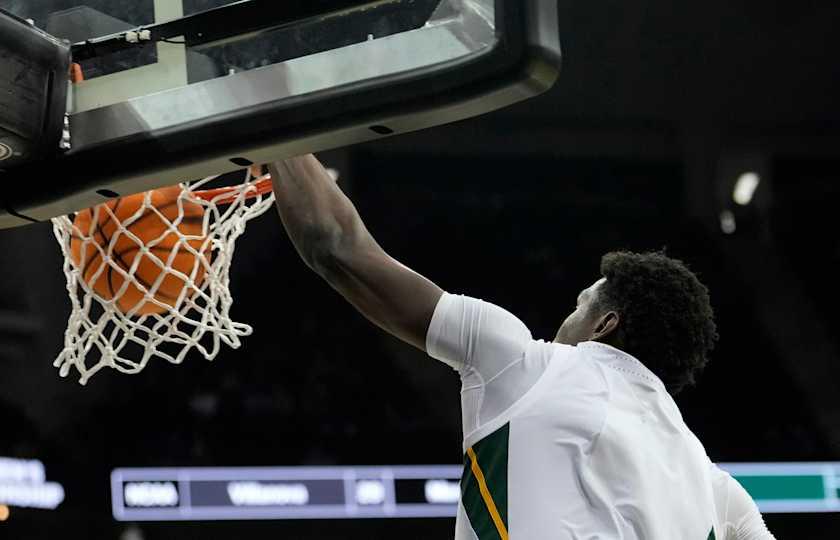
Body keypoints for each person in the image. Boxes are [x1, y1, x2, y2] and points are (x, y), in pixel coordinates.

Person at [269, 154, 775, 539]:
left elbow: (334, 244)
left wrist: (264, 104)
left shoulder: (524, 362)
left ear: (605, 325)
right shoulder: (715, 488)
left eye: (579, 306)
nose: (565, 319)